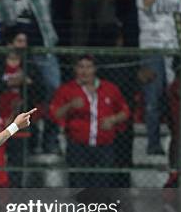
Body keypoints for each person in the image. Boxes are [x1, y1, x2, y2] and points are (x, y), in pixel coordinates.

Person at [0, 0, 68, 153]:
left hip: (44, 51)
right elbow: (1, 26)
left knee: (54, 92)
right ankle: (27, 140)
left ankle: (50, 139)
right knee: (24, 97)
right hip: (18, 55)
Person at [49, 55, 130, 188]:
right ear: (75, 69)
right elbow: (54, 114)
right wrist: (70, 106)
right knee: (79, 184)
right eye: (81, 67)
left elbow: (125, 112)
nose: (84, 71)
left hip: (104, 145)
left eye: (88, 67)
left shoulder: (110, 88)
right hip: (78, 146)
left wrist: (113, 119)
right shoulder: (67, 89)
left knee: (102, 184)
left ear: (95, 69)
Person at [136, 0, 181, 154]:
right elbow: (145, 5)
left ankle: (177, 144)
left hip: (172, 53)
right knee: (153, 99)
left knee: (174, 99)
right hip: (152, 50)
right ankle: (153, 144)